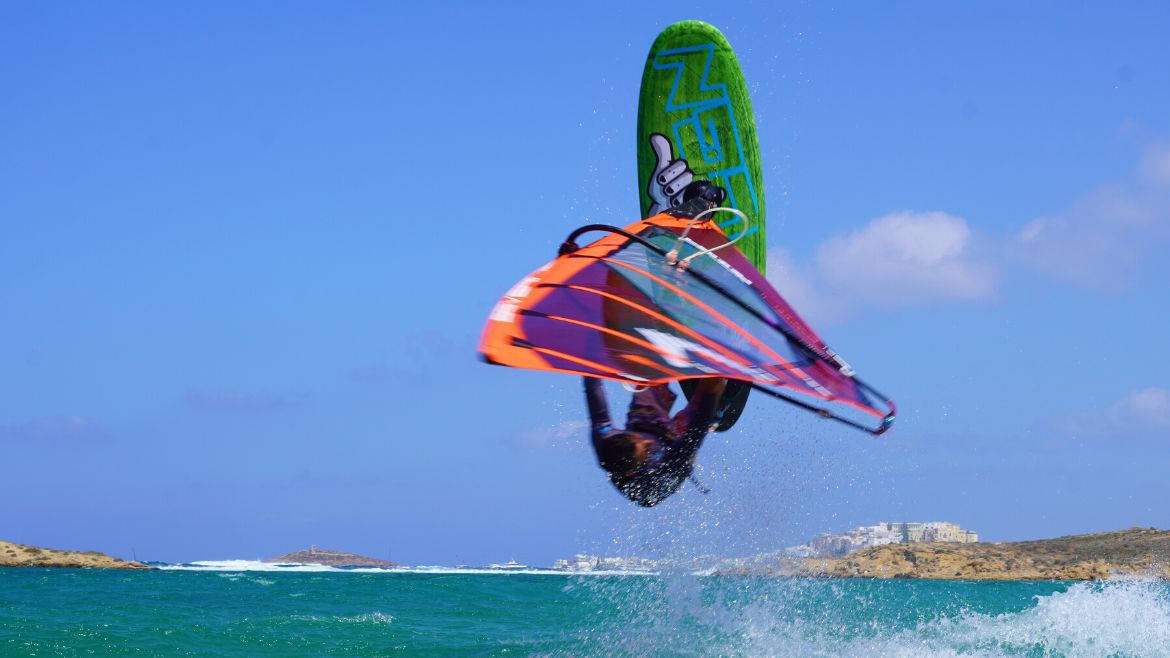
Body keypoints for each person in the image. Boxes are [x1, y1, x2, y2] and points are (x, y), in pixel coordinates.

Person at [584, 376, 727, 507]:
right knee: (713, 388)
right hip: (673, 447)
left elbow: (593, 389)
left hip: (645, 422)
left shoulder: (605, 436)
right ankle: (719, 410)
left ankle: (660, 365)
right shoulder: (665, 470)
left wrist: (592, 364)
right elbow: (697, 431)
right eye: (646, 450)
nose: (648, 443)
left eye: (638, 439)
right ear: (633, 472)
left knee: (650, 374)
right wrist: (711, 393)